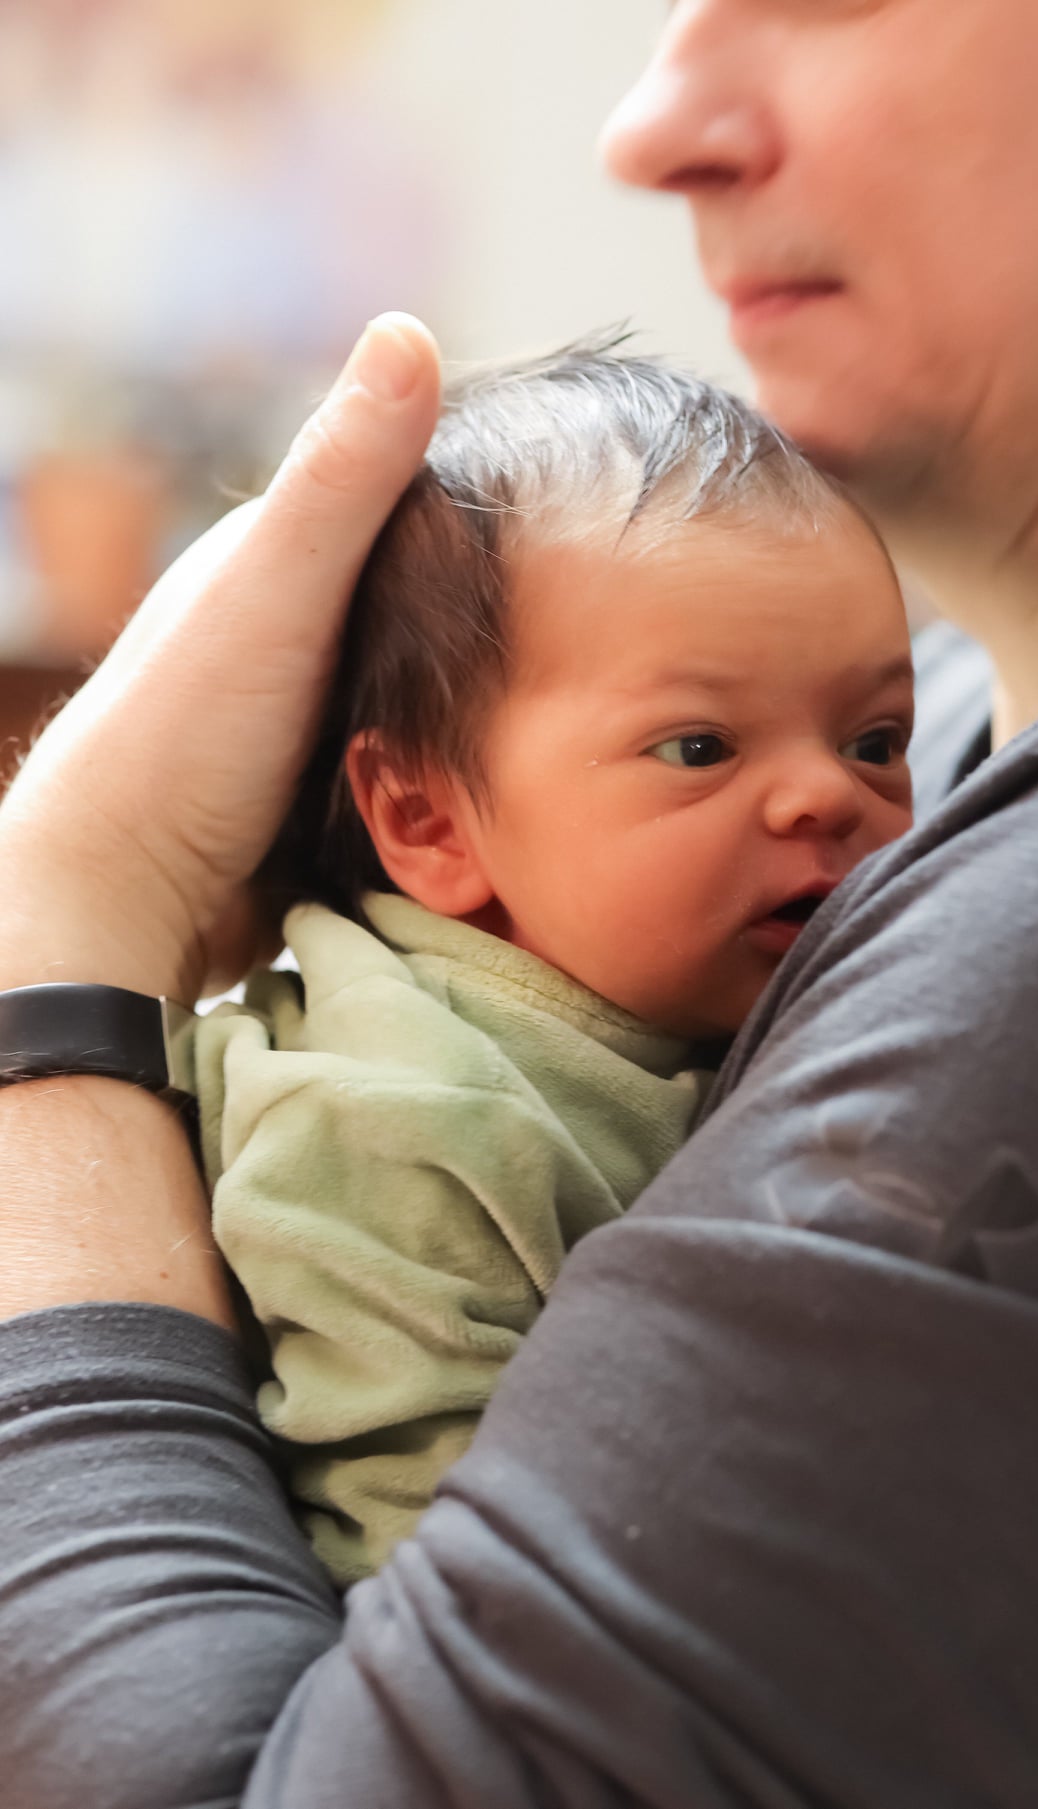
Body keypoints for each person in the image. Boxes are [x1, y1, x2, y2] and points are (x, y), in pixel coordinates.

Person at [0, 0, 1038, 1801]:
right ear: (420, 816)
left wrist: (60, 937)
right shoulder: (961, 755)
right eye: (699, 741)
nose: (653, 124)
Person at [196, 343, 914, 1584]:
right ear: (429, 822)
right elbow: (414, 1558)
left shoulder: (724, 993)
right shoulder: (404, 1115)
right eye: (698, 746)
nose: (823, 796)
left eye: (876, 737)